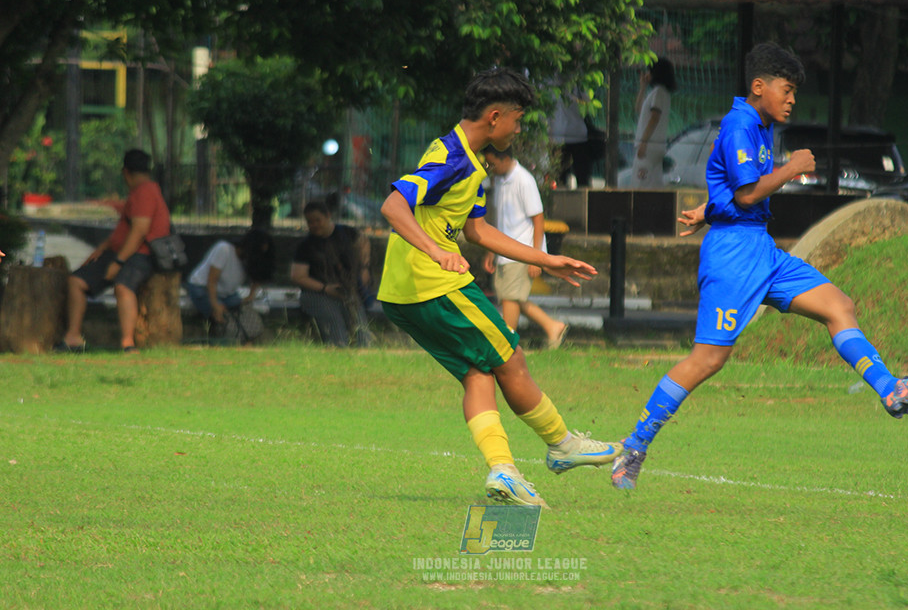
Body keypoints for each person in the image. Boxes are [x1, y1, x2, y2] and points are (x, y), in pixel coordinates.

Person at [611, 43, 908, 490]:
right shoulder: (739, 126)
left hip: (761, 250)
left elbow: (732, 190)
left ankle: (891, 389)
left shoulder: (759, 127)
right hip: (734, 256)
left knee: (838, 305)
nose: (792, 100)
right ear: (759, 87)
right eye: (786, 90)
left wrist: (707, 209)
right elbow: (748, 194)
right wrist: (792, 168)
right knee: (708, 359)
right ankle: (632, 449)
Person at [377, 66, 622, 508]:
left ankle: (504, 472)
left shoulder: (469, 160)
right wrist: (437, 253)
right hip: (434, 286)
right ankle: (562, 445)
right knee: (512, 358)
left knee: (478, 373)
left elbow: (478, 231)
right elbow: (394, 205)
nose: (519, 128)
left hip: (401, 293)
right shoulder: (451, 158)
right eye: (518, 119)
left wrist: (545, 257)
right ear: (494, 117)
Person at [56, 149, 172, 353]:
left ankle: (128, 343)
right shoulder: (137, 192)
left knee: (123, 287)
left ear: (126, 172)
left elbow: (139, 231)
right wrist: (102, 249)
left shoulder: (146, 192)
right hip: (119, 252)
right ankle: (73, 337)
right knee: (76, 281)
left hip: (141, 255)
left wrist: (117, 262)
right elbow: (124, 230)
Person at [481, 145, 568, 349]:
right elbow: (498, 220)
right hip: (504, 251)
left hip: (521, 252)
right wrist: (491, 250)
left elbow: (538, 220)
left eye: (491, 163)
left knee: (511, 298)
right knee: (510, 297)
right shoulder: (500, 180)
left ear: (503, 159)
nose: (489, 168)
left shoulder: (524, 180)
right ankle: (552, 326)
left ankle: (507, 345)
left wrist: (536, 257)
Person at [290, 196, 373, 347]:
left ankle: (364, 353)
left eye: (317, 220)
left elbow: (364, 241)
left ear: (328, 216)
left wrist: (364, 267)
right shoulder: (305, 246)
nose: (313, 225)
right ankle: (338, 350)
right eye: (310, 222)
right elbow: (297, 276)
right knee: (334, 321)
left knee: (360, 325)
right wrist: (325, 289)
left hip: (345, 290)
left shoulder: (346, 233)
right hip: (316, 294)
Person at [185, 229, 275, 324]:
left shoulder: (250, 262)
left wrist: (251, 295)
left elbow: (258, 278)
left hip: (227, 294)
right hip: (203, 288)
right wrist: (215, 305)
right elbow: (212, 280)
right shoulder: (224, 249)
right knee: (223, 316)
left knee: (238, 308)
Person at [630, 56, 678, 189]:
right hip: (656, 147)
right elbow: (639, 110)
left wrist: (643, 142)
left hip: (649, 148)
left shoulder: (658, 92)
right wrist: (642, 87)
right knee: (654, 184)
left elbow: (654, 118)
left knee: (640, 183)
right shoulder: (660, 93)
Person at [549, 93, 592, 188]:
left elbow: (588, 103)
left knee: (582, 180)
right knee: (559, 180)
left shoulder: (577, 83)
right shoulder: (549, 81)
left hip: (578, 135)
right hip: (557, 137)